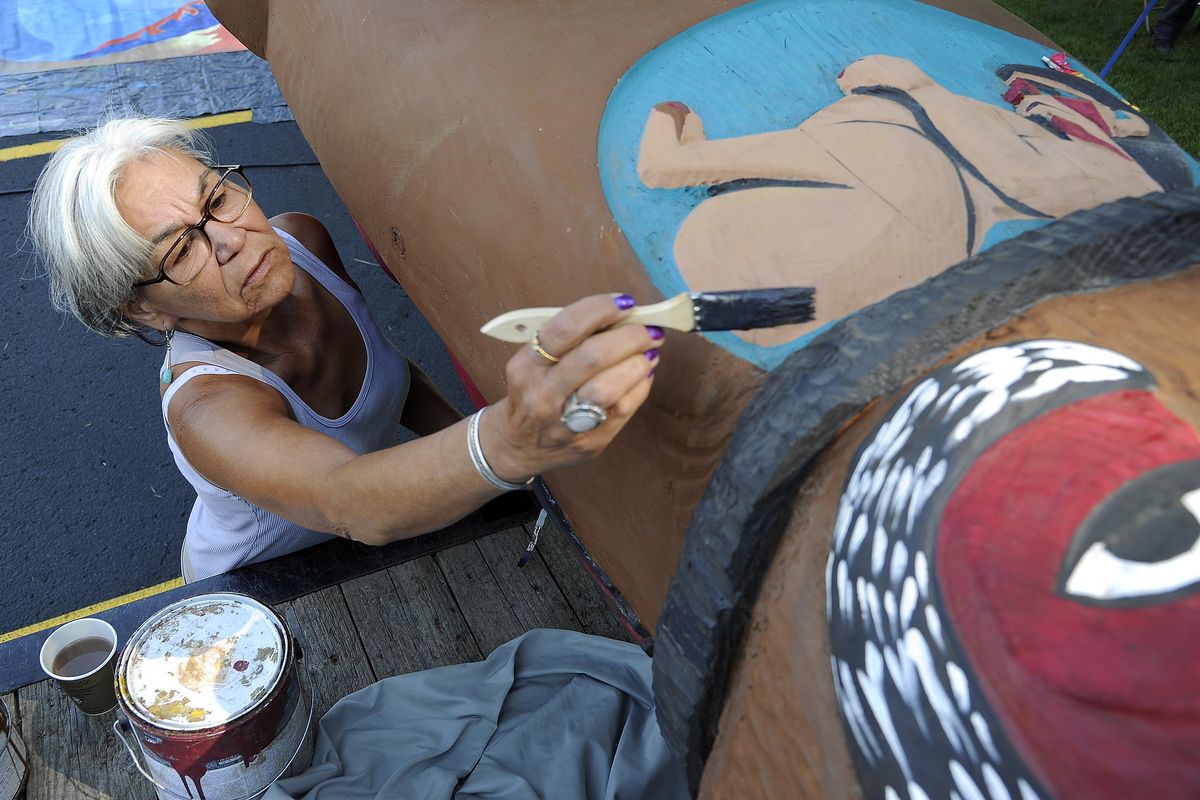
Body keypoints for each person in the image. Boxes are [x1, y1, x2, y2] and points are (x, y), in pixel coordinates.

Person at [29, 117, 663, 582]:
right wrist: (508, 442)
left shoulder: (303, 240)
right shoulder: (207, 408)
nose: (230, 239)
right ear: (144, 309)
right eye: (181, 250)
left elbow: (391, 377)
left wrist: (504, 483)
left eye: (217, 198)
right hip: (271, 584)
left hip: (380, 530)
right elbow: (348, 499)